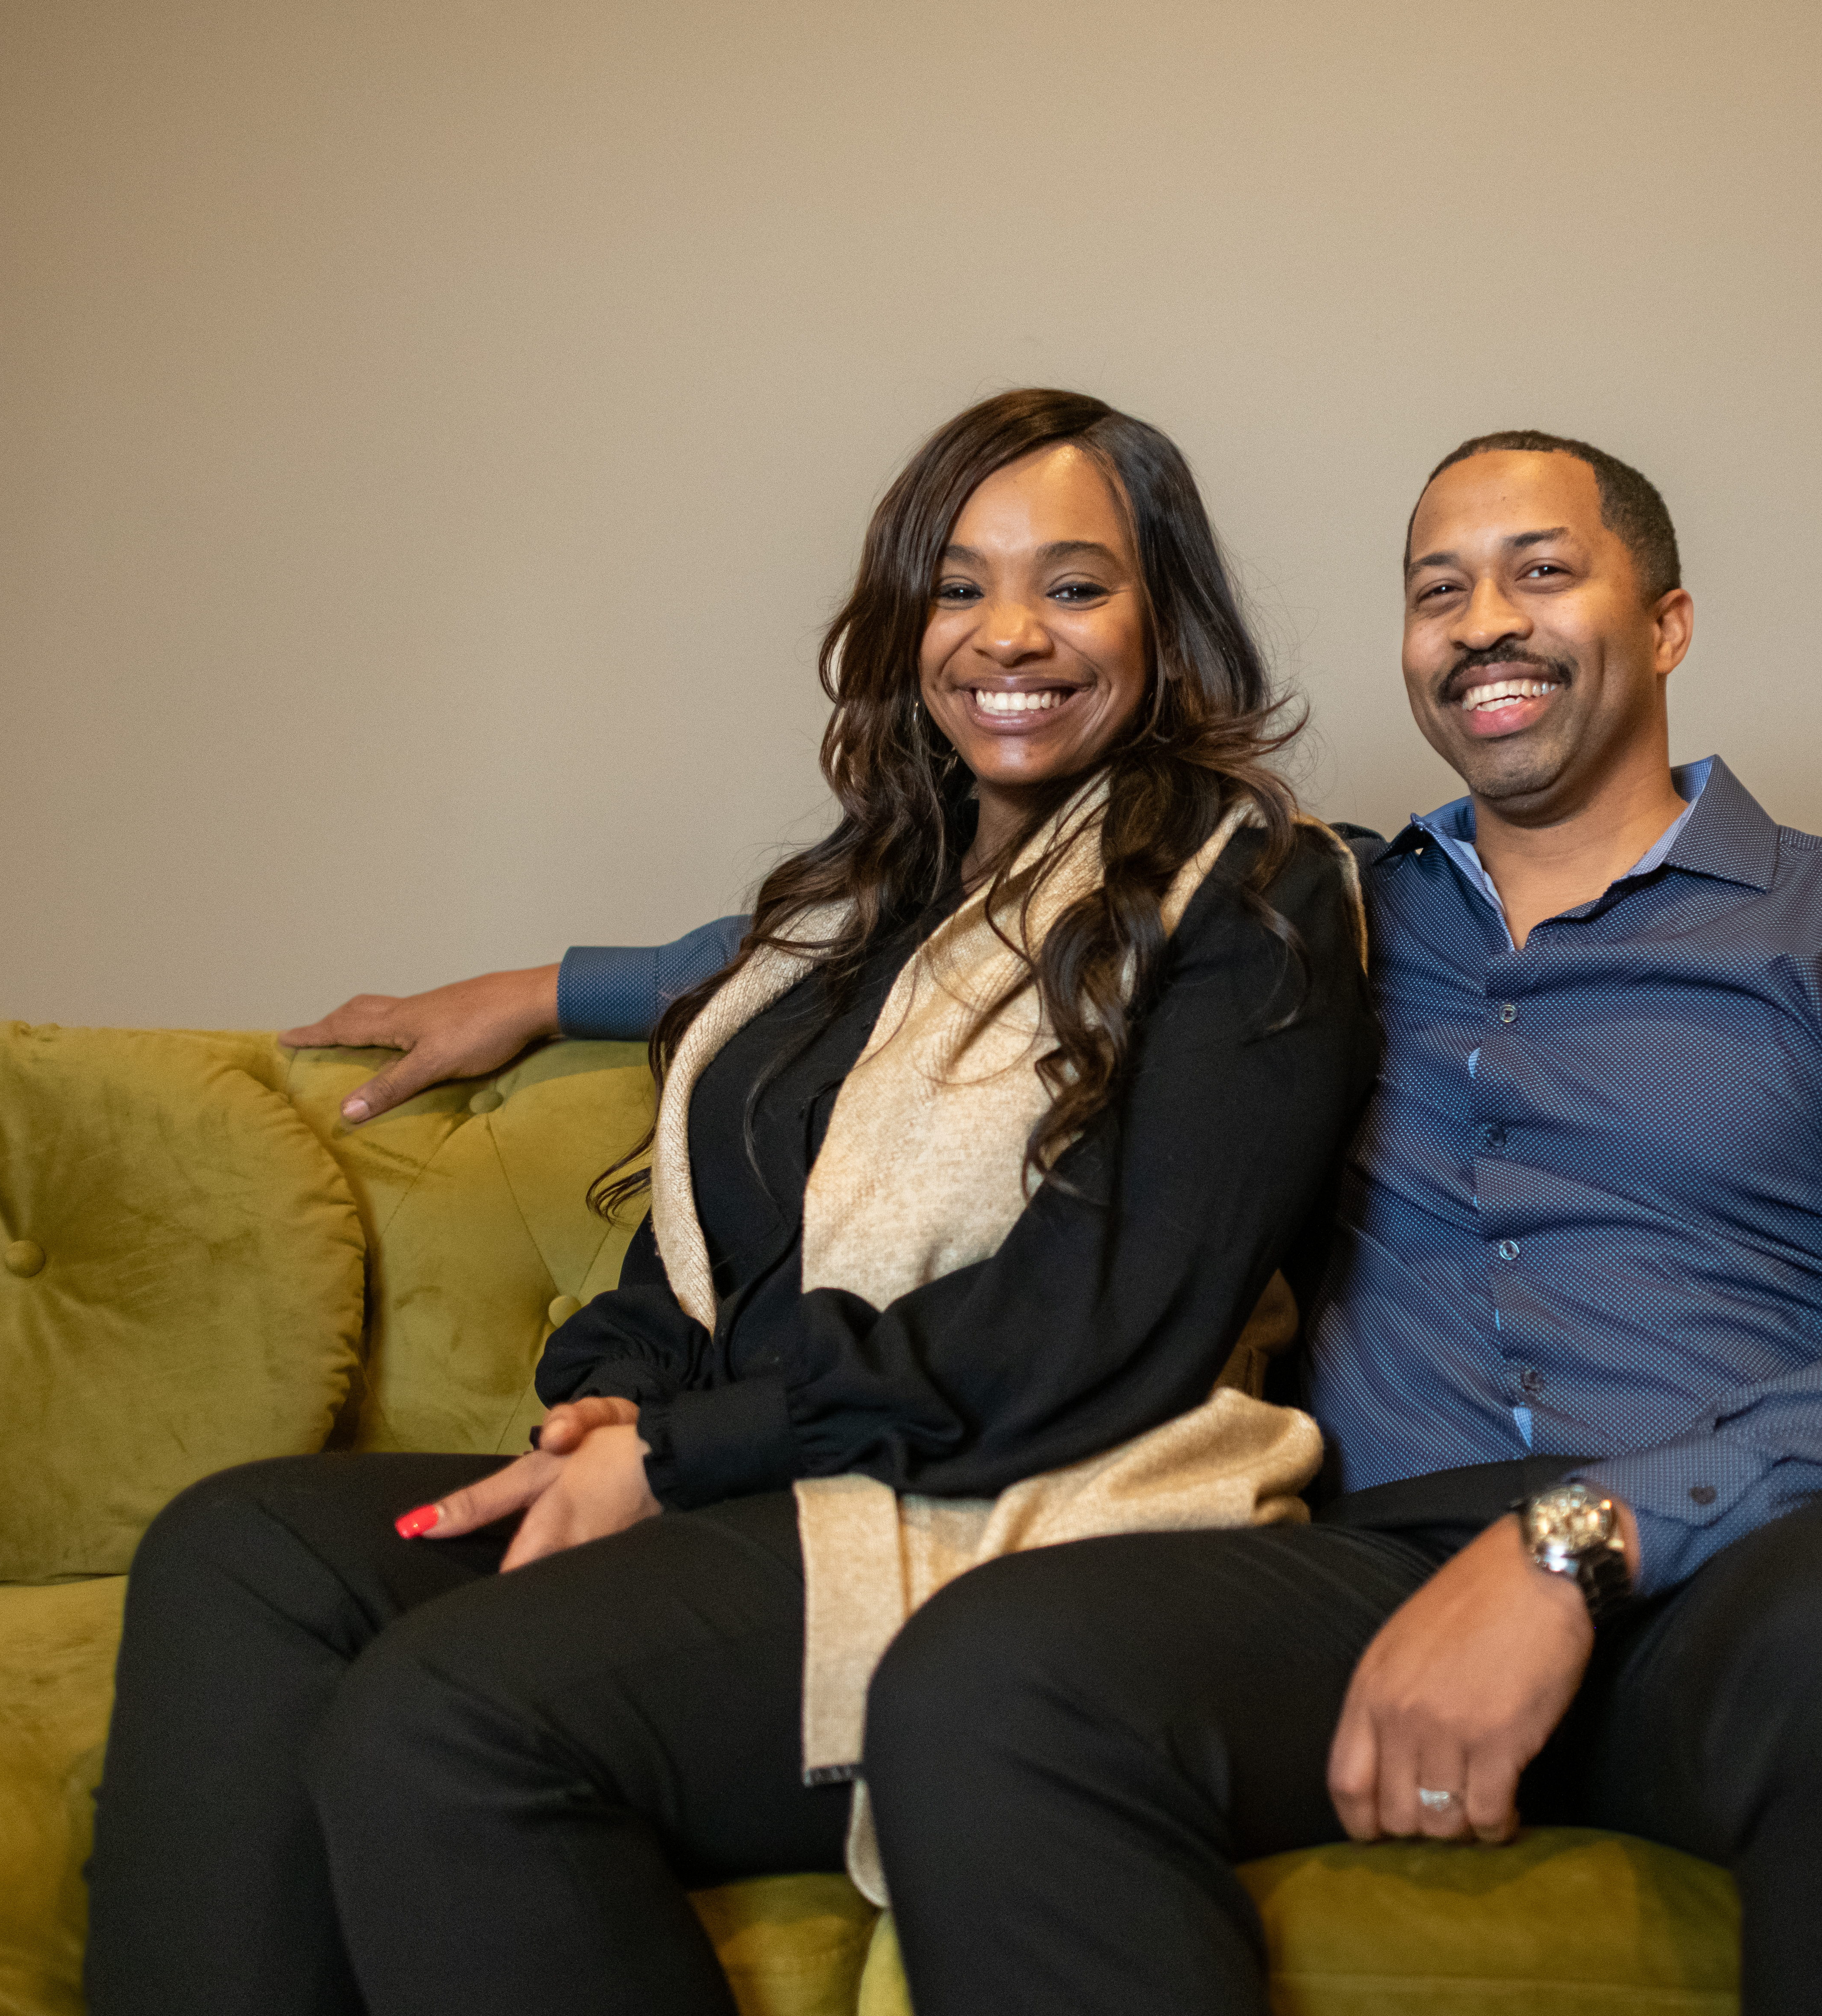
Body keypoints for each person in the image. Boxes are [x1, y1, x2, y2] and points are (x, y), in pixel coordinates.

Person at [298, 431, 1822, 2015]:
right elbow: (921, 951)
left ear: (1670, 620)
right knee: (989, 1675)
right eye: (1437, 587)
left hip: (1742, 1569)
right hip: (1366, 1566)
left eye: (1541, 572)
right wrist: (553, 982)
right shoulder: (1310, 908)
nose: (1484, 619)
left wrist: (1584, 1535)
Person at [81, 388, 1375, 2016]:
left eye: (1074, 582)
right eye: (959, 585)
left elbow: (1104, 1323)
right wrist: (616, 1391)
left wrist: (680, 1454)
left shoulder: (1252, 888)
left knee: (446, 1711)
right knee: (244, 1548)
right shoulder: (840, 912)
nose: (1008, 636)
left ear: (1164, 617)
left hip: (999, 1509)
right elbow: (703, 1246)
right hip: (758, 1480)